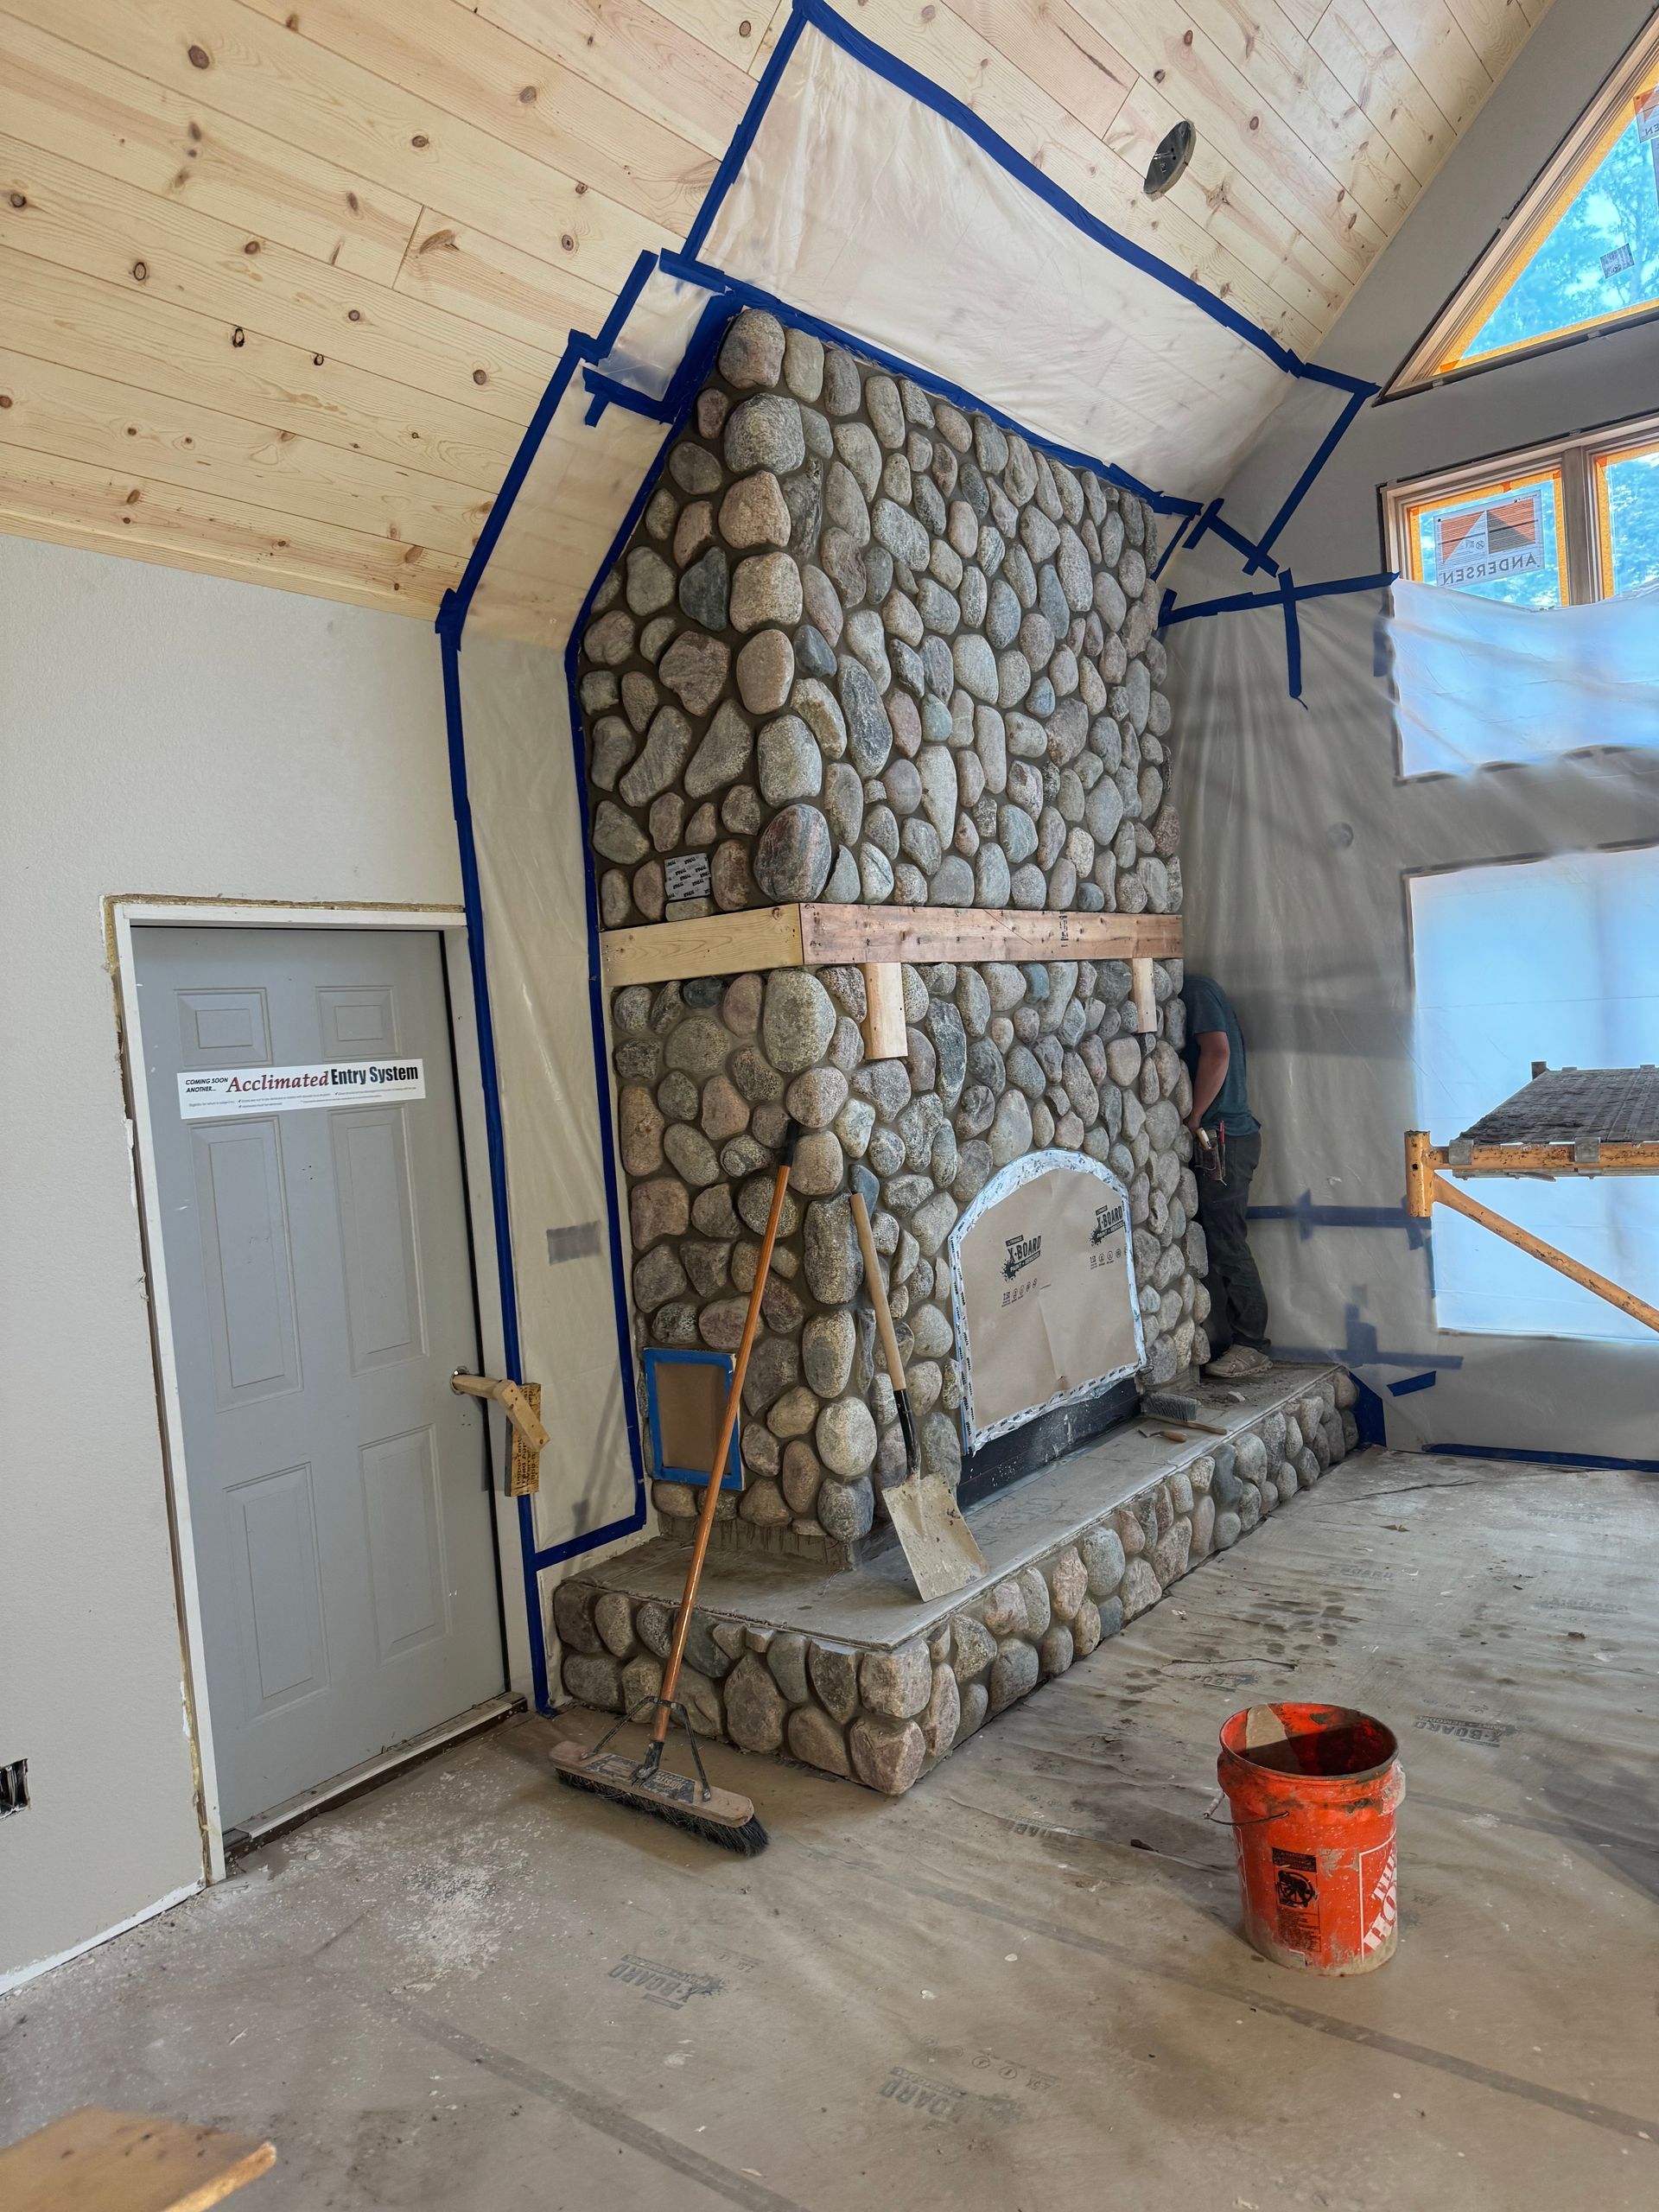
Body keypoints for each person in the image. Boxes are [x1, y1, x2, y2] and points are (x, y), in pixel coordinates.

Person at [1180, 974, 1272, 1380]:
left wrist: (1195, 1115)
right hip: (1225, 1137)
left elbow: (1218, 1052)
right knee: (1221, 1241)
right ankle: (1243, 1339)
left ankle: (1252, 1345)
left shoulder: (1195, 991)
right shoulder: (1199, 992)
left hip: (1224, 1138)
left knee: (1227, 1243)